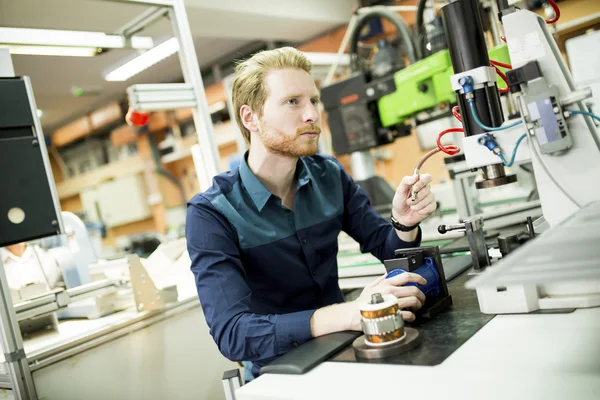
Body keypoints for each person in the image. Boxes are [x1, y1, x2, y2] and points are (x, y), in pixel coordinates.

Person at [185, 47, 437, 380]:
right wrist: (347, 314)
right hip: (280, 374)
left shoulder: (328, 175)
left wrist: (403, 223)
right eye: (293, 102)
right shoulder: (212, 213)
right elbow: (233, 333)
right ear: (251, 118)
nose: (312, 115)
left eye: (313, 101)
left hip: (348, 350)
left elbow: (386, 247)